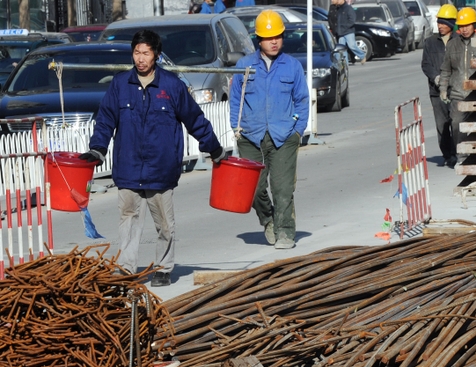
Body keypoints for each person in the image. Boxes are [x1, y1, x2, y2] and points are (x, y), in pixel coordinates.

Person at [81, 30, 226, 287]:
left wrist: (213, 148)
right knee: (128, 221)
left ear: (156, 55)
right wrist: (98, 149)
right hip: (128, 167)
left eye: (146, 53)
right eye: (137, 52)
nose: (140, 58)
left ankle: (163, 268)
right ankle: (126, 268)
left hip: (161, 168)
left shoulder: (171, 86)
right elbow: (105, 120)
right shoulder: (120, 85)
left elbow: (194, 119)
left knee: (165, 225)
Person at [229, 11, 309, 250]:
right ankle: (268, 219)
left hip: (284, 135)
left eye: (278, 36)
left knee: (283, 188)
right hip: (250, 136)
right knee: (253, 188)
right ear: (258, 40)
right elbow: (236, 99)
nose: (274, 41)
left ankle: (285, 231)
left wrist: (297, 130)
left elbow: (302, 100)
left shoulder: (292, 66)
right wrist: (237, 127)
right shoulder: (245, 66)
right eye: (268, 37)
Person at [439, 7, 476, 166]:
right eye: (461, 26)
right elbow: (446, 69)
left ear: (474, 25)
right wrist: (443, 88)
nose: (464, 29)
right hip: (458, 94)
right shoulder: (452, 45)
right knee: (456, 125)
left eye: (467, 25)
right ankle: (461, 155)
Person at [421, 4, 457, 168]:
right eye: (439, 23)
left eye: (443, 23)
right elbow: (426, 64)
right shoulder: (430, 42)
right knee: (442, 125)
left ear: (451, 24)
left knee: (456, 123)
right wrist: (436, 78)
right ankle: (448, 155)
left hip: (456, 91)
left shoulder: (458, 41)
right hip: (437, 92)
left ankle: (458, 152)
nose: (440, 26)